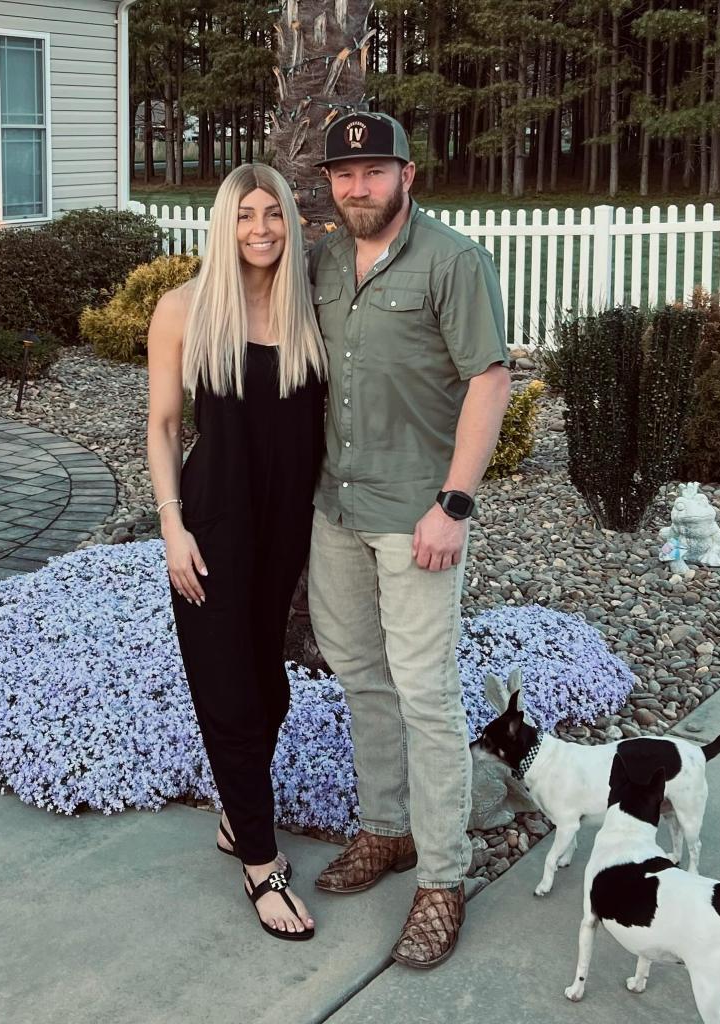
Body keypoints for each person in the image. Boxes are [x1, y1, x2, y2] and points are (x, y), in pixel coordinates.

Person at [306, 112, 511, 968]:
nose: (359, 186)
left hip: (417, 516)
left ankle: (441, 876)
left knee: (426, 694)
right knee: (360, 677)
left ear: (408, 175)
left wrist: (453, 503)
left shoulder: (452, 260)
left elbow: (489, 378)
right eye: (345, 174)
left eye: (375, 171)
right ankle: (384, 831)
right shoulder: (318, 260)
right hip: (335, 511)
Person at [146, 163, 327, 941]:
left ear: (289, 223)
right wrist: (171, 525)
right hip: (213, 526)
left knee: (272, 691)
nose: (260, 228)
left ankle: (232, 815)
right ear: (225, 223)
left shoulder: (309, 314)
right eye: (246, 215)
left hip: (285, 528)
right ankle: (260, 863)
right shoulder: (183, 309)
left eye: (274, 215)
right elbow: (161, 425)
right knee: (232, 694)